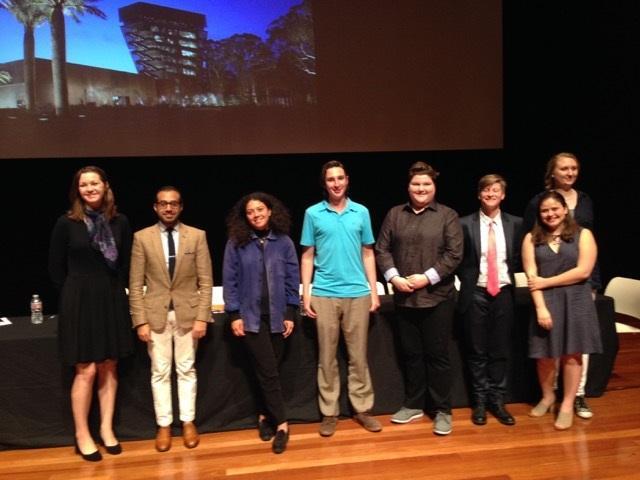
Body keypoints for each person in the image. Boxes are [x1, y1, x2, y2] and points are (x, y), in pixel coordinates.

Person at [49, 165, 133, 462]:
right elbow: (55, 270)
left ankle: (107, 430)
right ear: (78, 190)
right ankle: (82, 434)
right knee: (85, 370)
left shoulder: (120, 222)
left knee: (109, 365)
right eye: (84, 184)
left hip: (110, 298)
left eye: (94, 183)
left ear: (105, 186)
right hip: (80, 300)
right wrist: (76, 294)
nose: (90, 188)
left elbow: (125, 264)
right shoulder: (66, 223)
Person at [375, 161, 463, 436]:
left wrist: (427, 277)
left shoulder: (448, 215)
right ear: (408, 186)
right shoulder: (394, 214)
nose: (421, 188)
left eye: (426, 184)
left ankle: (442, 410)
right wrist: (393, 277)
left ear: (434, 186)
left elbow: (454, 254)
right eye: (416, 184)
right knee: (411, 355)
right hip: (404, 298)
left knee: (437, 356)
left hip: (437, 297)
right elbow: (382, 249)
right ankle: (414, 405)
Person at [300, 160, 382, 436]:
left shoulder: (362, 212)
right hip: (324, 294)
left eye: (340, 178)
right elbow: (308, 254)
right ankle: (329, 412)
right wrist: (307, 292)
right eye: (330, 179)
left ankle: (362, 409)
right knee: (327, 358)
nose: (335, 183)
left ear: (347, 180)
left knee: (358, 357)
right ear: (324, 184)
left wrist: (373, 291)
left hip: (357, 294)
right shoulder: (313, 213)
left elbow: (368, 252)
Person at [129, 186, 213, 452]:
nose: (168, 208)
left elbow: (206, 281)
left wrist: (202, 317)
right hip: (155, 315)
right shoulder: (141, 238)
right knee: (160, 371)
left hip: (188, 314)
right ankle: (164, 424)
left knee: (186, 369)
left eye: (173, 204)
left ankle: (188, 421)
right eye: (163, 204)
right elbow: (135, 282)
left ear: (181, 207)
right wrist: (139, 321)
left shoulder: (197, 236)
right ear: (155, 207)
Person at [523, 152, 599, 419]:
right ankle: (547, 397)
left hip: (576, 298)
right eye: (545, 210)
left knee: (572, 354)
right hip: (546, 300)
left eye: (555, 209)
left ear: (565, 210)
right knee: (544, 355)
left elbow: (584, 271)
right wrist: (541, 307)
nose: (550, 213)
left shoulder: (583, 234)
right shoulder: (531, 238)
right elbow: (532, 276)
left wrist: (547, 281)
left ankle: (568, 403)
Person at [223, 192, 300, 454]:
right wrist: (234, 314)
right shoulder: (236, 243)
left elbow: (292, 279)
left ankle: (263, 415)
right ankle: (282, 425)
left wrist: (290, 312)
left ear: (270, 211)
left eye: (260, 209)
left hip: (279, 317)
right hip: (251, 318)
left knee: (267, 371)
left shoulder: (285, 242)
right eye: (250, 211)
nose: (255, 214)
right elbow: (230, 280)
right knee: (268, 371)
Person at [456, 174, 522, 427]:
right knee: (477, 351)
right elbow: (459, 260)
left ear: (503, 195)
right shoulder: (464, 223)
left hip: (503, 292)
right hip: (476, 292)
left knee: (500, 350)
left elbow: (519, 258)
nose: (491, 194)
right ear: (479, 194)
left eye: (496, 190)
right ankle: (480, 402)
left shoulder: (516, 223)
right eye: (486, 190)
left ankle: (498, 401)